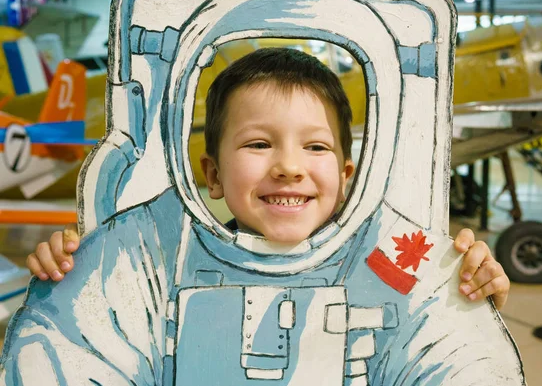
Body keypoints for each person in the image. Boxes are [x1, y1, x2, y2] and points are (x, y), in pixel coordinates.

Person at [6, 48, 514, 385]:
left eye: (315, 146)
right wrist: (68, 276)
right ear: (214, 175)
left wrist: (469, 286)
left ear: (347, 176)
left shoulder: (393, 261)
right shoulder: (155, 258)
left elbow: (454, 351)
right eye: (258, 143)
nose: (289, 167)